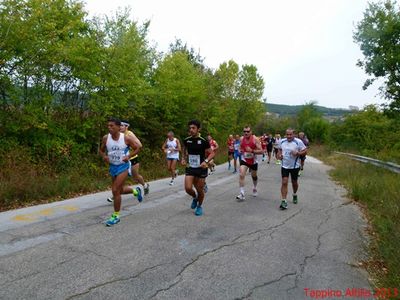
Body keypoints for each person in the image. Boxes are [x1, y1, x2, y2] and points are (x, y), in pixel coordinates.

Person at [99, 118, 143, 226]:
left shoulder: (126, 138)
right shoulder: (106, 138)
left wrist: (128, 156)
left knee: (115, 190)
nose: (109, 128)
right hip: (113, 166)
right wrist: (104, 156)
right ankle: (135, 191)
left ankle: (116, 216)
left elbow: (137, 148)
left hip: (123, 166)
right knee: (119, 191)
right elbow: (101, 150)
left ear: (119, 127)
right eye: (108, 126)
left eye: (112, 126)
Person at [107, 120, 149, 202]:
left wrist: (129, 148)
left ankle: (145, 185)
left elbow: (139, 145)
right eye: (121, 125)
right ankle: (115, 194)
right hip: (122, 161)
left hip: (132, 159)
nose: (121, 127)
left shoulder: (129, 134)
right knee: (118, 179)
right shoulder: (116, 135)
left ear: (127, 127)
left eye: (123, 126)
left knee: (135, 176)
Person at [181, 120, 215, 216]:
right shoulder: (187, 140)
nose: (191, 130)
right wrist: (183, 158)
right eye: (190, 128)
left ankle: (199, 206)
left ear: (198, 129)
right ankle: (195, 197)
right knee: (188, 188)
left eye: (193, 128)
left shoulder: (203, 141)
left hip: (201, 168)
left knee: (200, 189)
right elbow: (184, 150)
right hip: (191, 167)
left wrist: (206, 161)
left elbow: (212, 153)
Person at [277, 128, 307, 210]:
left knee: (294, 182)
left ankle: (294, 194)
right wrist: (279, 155)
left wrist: (298, 153)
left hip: (295, 166)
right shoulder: (282, 141)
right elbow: (279, 150)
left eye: (290, 134)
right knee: (284, 182)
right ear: (285, 134)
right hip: (284, 166)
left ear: (294, 134)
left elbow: (305, 151)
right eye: (287, 134)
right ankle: (284, 201)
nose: (289, 136)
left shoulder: (298, 142)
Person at [236, 126, 263, 201]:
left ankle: (255, 188)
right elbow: (240, 147)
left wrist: (252, 151)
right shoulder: (241, 139)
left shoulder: (255, 139)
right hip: (244, 160)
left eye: (248, 131)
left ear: (251, 132)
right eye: (244, 131)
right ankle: (242, 193)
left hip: (253, 161)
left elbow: (261, 151)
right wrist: (240, 150)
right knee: (241, 174)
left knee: (254, 176)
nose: (246, 133)